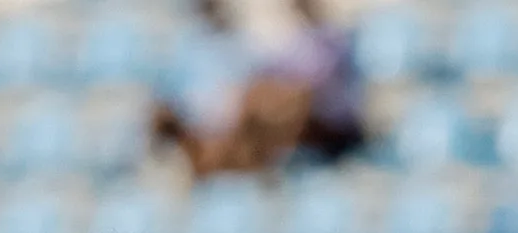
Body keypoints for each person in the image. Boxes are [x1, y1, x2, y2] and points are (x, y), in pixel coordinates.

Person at [151, 0, 367, 178]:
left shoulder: (333, 40)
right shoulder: (190, 45)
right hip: (224, 127)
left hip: (324, 125)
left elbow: (330, 93)